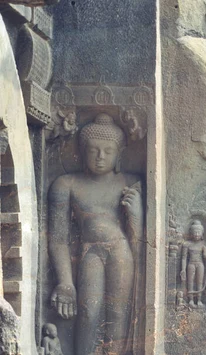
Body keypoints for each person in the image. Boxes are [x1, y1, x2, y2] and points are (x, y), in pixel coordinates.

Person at [48, 114, 143, 354]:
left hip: (120, 250)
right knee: (89, 312)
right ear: (81, 152)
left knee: (118, 314)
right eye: (94, 150)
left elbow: (140, 240)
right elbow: (58, 239)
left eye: (108, 151)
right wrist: (66, 283)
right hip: (89, 251)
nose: (101, 157)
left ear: (119, 154)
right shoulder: (66, 184)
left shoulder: (131, 183)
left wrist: (136, 214)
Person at [181, 220, 206, 308]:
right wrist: (183, 269)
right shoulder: (187, 244)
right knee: (190, 282)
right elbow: (184, 258)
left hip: (200, 264)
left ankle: (199, 300)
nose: (196, 234)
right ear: (191, 233)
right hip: (191, 264)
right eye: (194, 232)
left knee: (200, 282)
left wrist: (205, 254)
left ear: (202, 233)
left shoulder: (205, 244)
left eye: (198, 232)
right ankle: (191, 300)